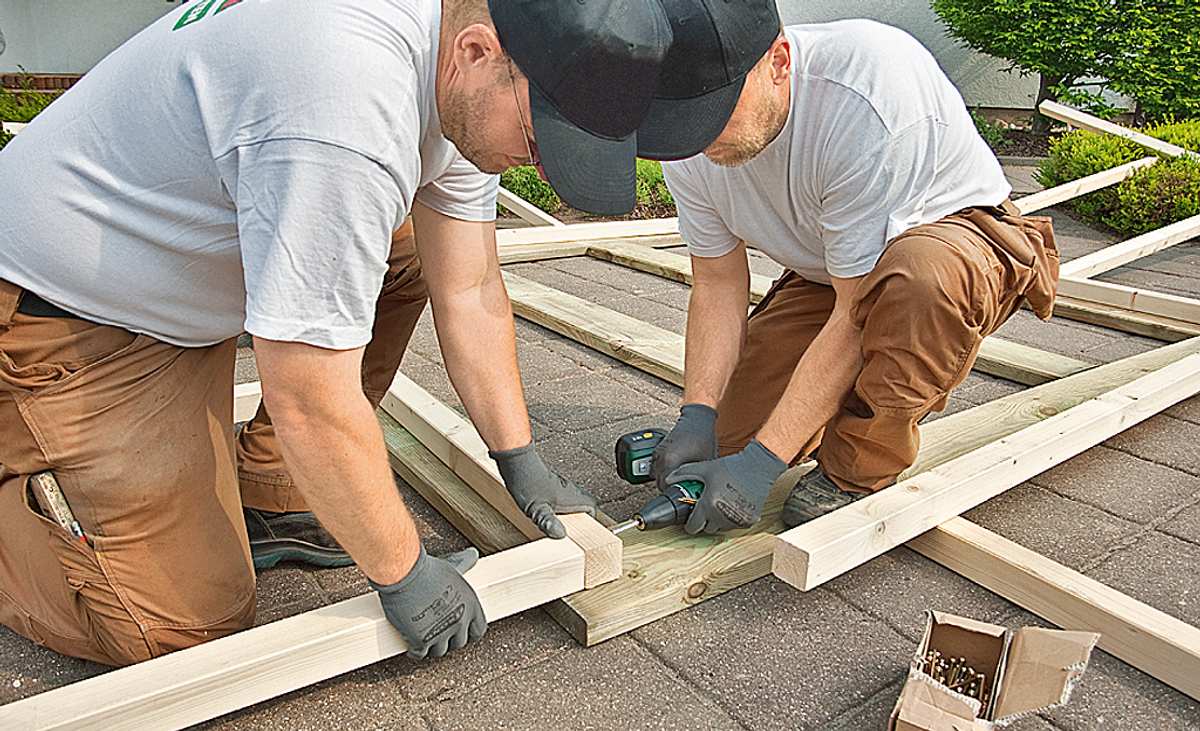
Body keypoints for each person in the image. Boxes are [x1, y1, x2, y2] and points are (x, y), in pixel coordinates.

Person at [0, 0, 674, 665]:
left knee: (399, 255)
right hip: (67, 319)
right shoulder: (345, 104)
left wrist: (518, 459)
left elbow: (466, 286)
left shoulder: (467, 69)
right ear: (476, 52)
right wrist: (403, 568)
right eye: (537, 140)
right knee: (174, 628)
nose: (538, 165)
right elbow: (308, 395)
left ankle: (271, 483)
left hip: (171, 283)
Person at [641, 17, 1059, 535]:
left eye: (717, 110)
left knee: (919, 281)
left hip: (949, 246)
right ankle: (799, 423)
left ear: (778, 62)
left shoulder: (868, 92)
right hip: (833, 269)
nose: (701, 137)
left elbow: (853, 316)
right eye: (688, 119)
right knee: (731, 439)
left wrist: (762, 465)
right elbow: (718, 284)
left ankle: (858, 467)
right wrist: (698, 416)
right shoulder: (687, 138)